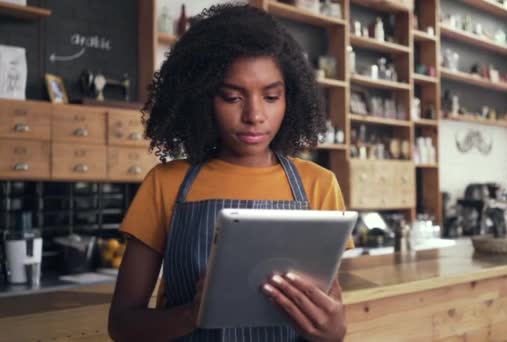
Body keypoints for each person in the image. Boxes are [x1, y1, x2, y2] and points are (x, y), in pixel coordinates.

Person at [108, 4, 352, 341]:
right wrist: (192, 316)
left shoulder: (319, 185)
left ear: (289, 99)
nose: (254, 115)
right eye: (232, 97)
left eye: (270, 96)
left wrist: (333, 329)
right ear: (201, 97)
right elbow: (121, 325)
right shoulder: (166, 184)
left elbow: (332, 319)